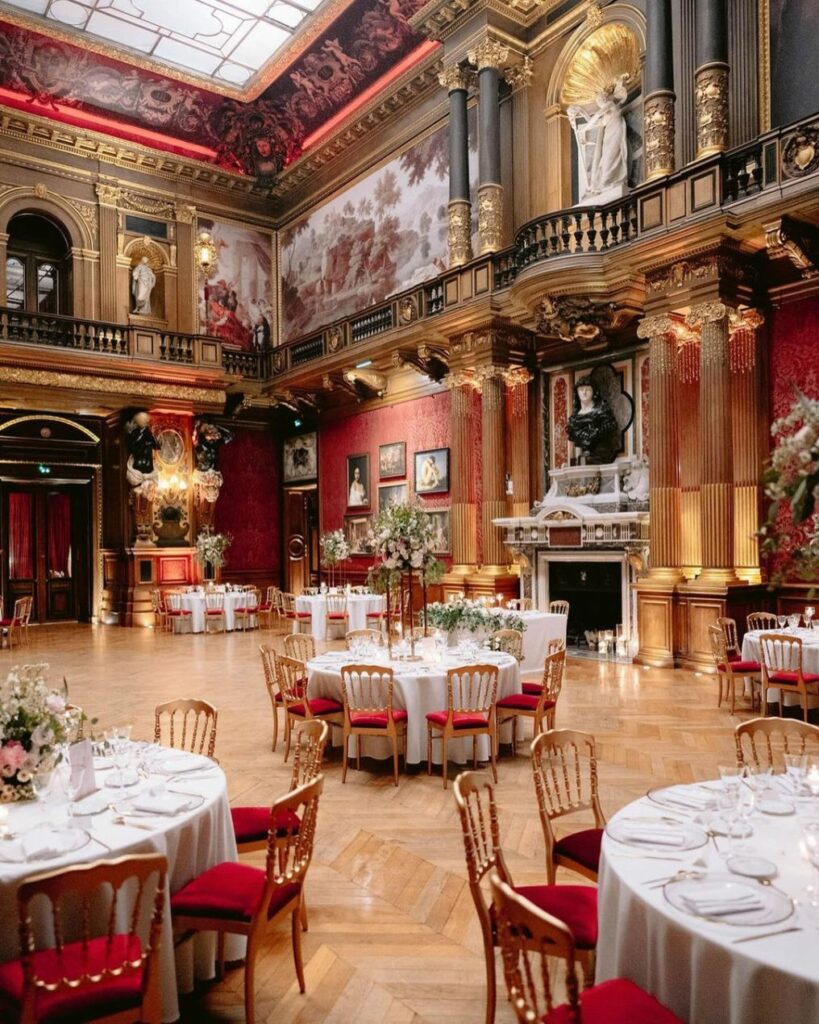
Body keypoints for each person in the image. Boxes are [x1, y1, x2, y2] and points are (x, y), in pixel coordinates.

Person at [566, 376, 620, 465]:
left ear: (594, 392)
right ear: (577, 392)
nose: (584, 392)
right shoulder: (574, 418)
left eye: (588, 389)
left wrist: (596, 433)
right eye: (581, 389)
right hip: (585, 456)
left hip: (601, 454)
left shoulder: (601, 411)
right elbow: (573, 433)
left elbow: (611, 425)